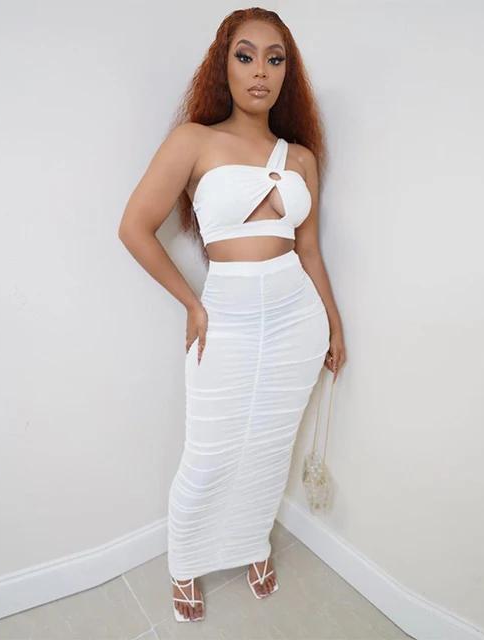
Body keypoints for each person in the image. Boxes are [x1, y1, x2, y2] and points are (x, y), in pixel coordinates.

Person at [118, 7, 346, 623]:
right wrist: (193, 303)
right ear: (224, 65)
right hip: (227, 316)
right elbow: (134, 228)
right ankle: (186, 562)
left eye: (275, 59)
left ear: (287, 73)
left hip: (298, 318)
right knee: (210, 451)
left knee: (271, 447)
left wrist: (333, 323)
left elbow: (309, 250)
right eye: (246, 56)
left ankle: (253, 545)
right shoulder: (193, 141)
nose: (260, 71)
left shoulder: (302, 158)